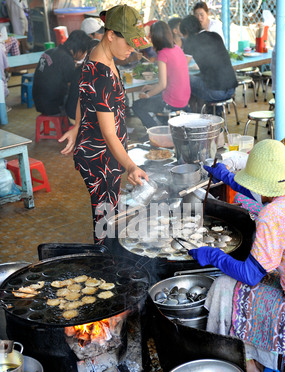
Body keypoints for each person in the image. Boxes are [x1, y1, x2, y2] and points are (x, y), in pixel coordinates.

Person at [189, 139, 285, 372]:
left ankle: (246, 364)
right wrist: (228, 177)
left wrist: (214, 255)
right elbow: (265, 195)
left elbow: (250, 275)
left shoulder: (273, 215)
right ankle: (253, 362)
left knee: (224, 286)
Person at [58, 5, 150, 245]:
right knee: (106, 222)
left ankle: (110, 257)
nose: (132, 49)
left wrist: (78, 126)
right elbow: (109, 133)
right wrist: (130, 166)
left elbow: (82, 96)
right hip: (100, 157)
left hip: (104, 152)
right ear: (110, 35)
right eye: (128, 42)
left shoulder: (98, 53)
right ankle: (106, 266)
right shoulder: (102, 75)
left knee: (109, 215)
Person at [132, 20, 191, 129]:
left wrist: (147, 95)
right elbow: (169, 81)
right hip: (184, 100)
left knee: (137, 105)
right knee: (153, 96)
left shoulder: (163, 54)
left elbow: (162, 85)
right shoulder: (177, 49)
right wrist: (152, 87)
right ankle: (162, 126)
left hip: (172, 102)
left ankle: (156, 132)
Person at [180, 15, 237, 114]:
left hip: (216, 93)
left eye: (183, 35)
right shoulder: (215, 35)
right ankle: (214, 114)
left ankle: (191, 114)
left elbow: (181, 67)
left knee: (185, 79)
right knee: (203, 79)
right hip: (231, 88)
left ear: (186, 30)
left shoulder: (191, 42)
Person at [32, 30, 92, 117]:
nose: (85, 55)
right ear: (80, 49)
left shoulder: (50, 52)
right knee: (78, 93)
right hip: (52, 106)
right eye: (85, 52)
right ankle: (71, 123)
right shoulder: (67, 60)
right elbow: (72, 85)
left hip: (38, 102)